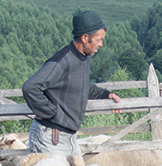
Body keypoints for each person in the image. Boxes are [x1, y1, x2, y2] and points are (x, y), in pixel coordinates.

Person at [22, 10, 122, 155]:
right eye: (98, 39)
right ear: (85, 37)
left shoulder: (83, 57)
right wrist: (50, 113)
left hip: (67, 137)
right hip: (50, 137)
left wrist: (106, 95)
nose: (101, 44)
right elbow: (30, 87)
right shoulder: (62, 61)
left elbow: (81, 86)